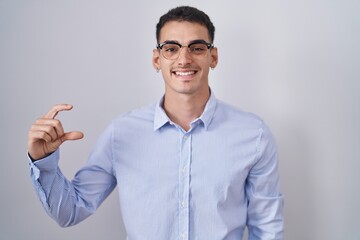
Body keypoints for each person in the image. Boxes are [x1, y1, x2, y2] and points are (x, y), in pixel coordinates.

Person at [28, 6, 284, 240]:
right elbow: (71, 211)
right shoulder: (122, 133)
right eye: (171, 48)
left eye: (196, 47)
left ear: (212, 57)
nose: (184, 60)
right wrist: (43, 163)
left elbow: (267, 230)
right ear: (156, 59)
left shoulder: (254, 134)